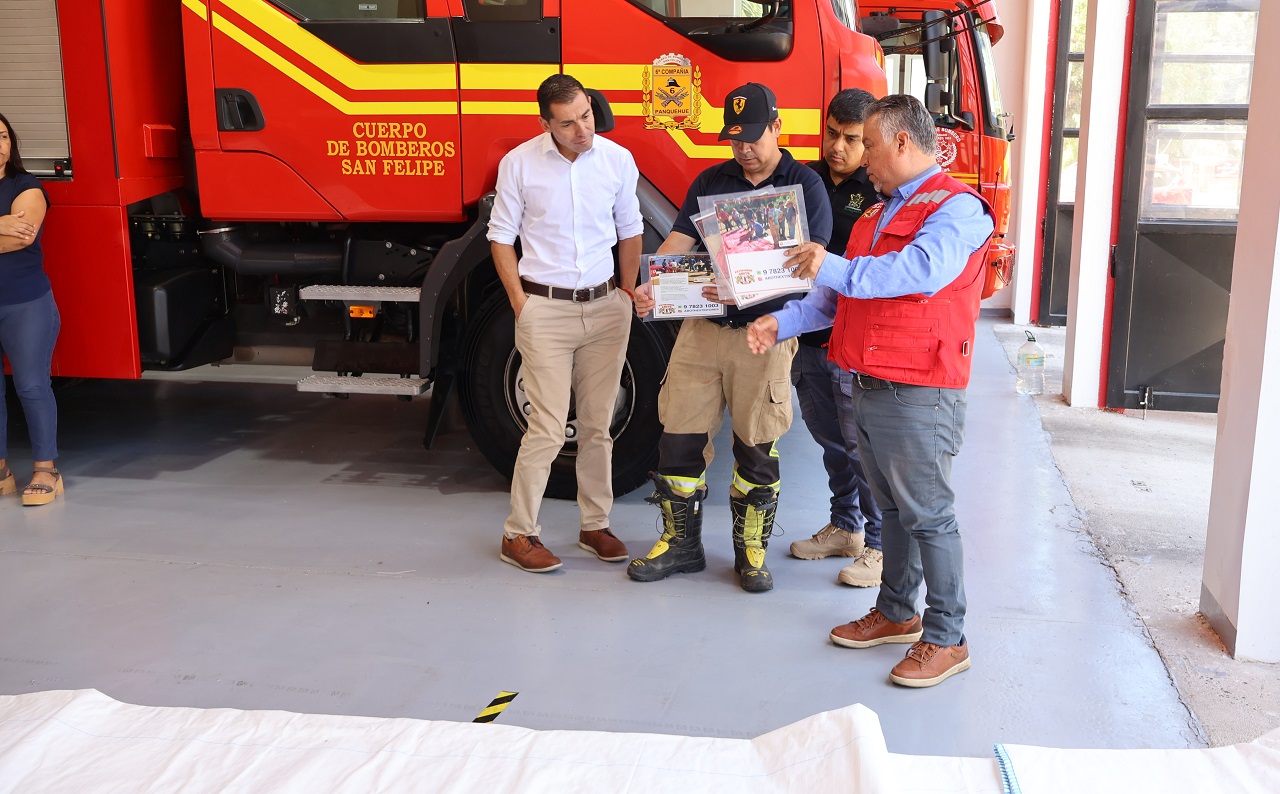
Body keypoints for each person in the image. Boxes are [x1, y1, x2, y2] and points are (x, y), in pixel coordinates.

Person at [747, 95, 995, 686]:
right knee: (893, 510)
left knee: (929, 515)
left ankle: (947, 636)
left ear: (903, 143)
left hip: (920, 389)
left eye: (871, 145)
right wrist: (779, 323)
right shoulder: (874, 215)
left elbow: (918, 271)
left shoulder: (958, 211)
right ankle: (896, 612)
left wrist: (826, 264)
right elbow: (835, 301)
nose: (862, 159)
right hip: (870, 381)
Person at [629, 82, 831, 593]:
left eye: (754, 136)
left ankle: (751, 551)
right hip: (702, 328)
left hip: (763, 333)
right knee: (678, 435)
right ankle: (682, 544)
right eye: (735, 137)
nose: (744, 148)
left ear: (778, 126)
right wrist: (651, 282)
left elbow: (812, 263)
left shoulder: (804, 185)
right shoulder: (711, 179)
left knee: (757, 443)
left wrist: (753, 283)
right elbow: (679, 240)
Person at [486, 75, 643, 573]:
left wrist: (625, 291)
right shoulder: (519, 163)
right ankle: (519, 534)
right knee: (548, 428)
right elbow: (500, 237)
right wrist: (520, 304)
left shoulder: (617, 160)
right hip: (544, 310)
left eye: (586, 115)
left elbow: (630, 228)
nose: (581, 129)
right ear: (545, 124)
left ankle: (595, 525)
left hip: (605, 308)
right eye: (568, 122)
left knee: (599, 426)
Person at [786, 89, 886, 589]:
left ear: (870, 142)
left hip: (853, 341)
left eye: (850, 139)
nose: (837, 147)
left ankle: (880, 545)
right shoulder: (802, 180)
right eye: (831, 134)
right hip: (807, 334)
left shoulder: (882, 191)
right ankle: (845, 526)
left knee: (861, 444)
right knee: (829, 439)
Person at [0, 112, 61, 507]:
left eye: (3, 136)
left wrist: (8, 227)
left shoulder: (27, 188)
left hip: (25, 304)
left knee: (32, 386)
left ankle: (46, 470)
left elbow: (21, 239)